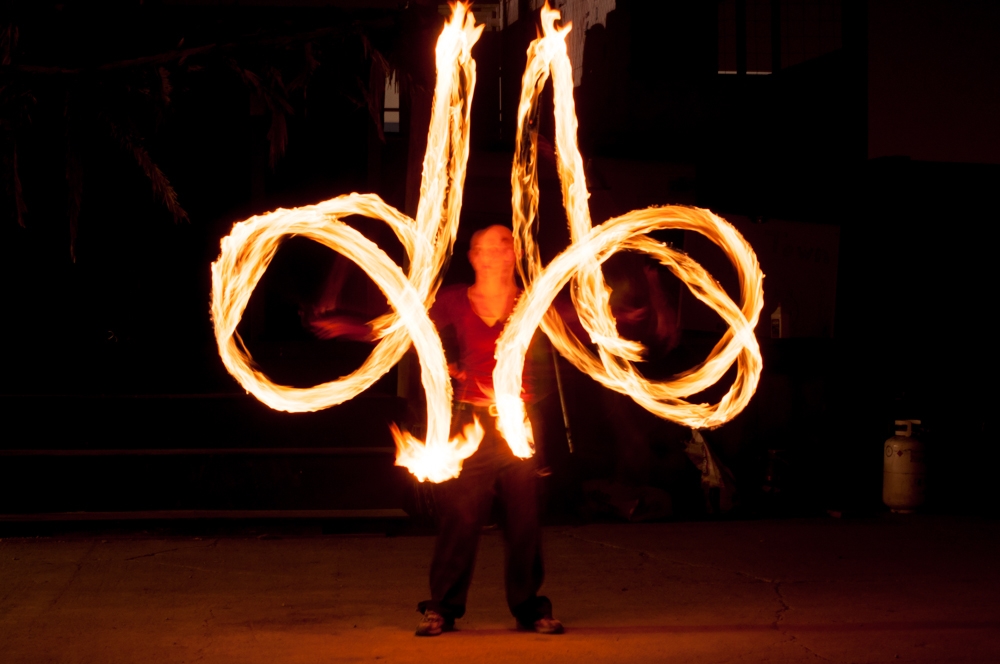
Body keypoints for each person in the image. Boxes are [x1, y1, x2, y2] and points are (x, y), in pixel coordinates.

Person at [415, 224, 562, 636]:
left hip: (521, 423)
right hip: (470, 423)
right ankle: (441, 607)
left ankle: (530, 609)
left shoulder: (532, 302)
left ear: (514, 255)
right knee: (460, 517)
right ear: (473, 256)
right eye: (485, 247)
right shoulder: (454, 301)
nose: (495, 253)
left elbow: (581, 325)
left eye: (504, 246)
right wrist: (442, 365)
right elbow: (411, 328)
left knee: (525, 519)